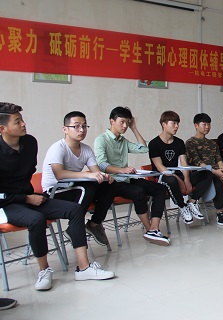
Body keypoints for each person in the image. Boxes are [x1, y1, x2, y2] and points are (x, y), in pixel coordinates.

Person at [0, 102, 114, 291]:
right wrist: (26, 199)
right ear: (2, 128)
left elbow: (26, 175)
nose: (23, 124)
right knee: (36, 219)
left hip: (29, 196)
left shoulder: (30, 142)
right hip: (7, 204)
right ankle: (44, 270)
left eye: (22, 120)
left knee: (75, 209)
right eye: (17, 122)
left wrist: (29, 196)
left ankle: (84, 268)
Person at [94, 106, 169, 246]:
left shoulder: (124, 141)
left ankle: (154, 228)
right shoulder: (101, 140)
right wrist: (121, 170)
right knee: (138, 192)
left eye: (127, 122)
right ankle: (149, 230)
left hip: (127, 179)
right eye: (122, 122)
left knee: (159, 188)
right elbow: (102, 164)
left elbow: (145, 148)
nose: (125, 126)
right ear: (112, 121)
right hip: (112, 183)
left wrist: (134, 128)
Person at [41, 111, 118, 247]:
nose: (81, 130)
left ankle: (94, 224)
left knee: (110, 185)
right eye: (76, 126)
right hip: (54, 192)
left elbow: (96, 173)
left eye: (84, 126)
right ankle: (74, 227)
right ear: (65, 129)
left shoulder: (86, 149)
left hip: (74, 188)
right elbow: (59, 174)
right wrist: (88, 175)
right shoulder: (58, 148)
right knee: (87, 187)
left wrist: (105, 176)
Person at [148, 110, 211, 225]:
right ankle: (182, 206)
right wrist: (179, 180)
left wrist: (186, 179)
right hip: (161, 177)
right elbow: (160, 166)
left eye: (178, 123)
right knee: (172, 180)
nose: (177, 126)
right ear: (164, 124)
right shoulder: (154, 144)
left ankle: (192, 202)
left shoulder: (179, 142)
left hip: (177, 174)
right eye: (173, 123)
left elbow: (184, 163)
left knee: (206, 173)